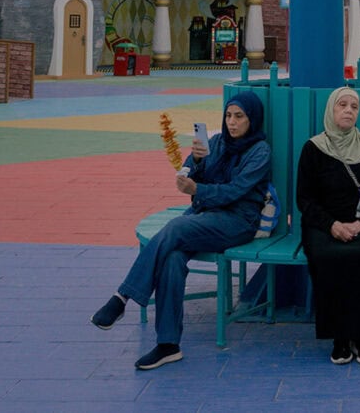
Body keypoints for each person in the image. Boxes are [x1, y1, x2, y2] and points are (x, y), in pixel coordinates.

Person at [90, 92, 271, 370]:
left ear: (252, 119)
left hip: (236, 222)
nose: (232, 123)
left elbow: (236, 192)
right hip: (204, 217)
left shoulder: (260, 151)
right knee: (173, 256)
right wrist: (194, 165)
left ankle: (122, 297)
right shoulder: (217, 142)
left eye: (239, 116)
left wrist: (198, 189)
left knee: (176, 227)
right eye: (228, 115)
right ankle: (168, 345)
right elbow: (191, 168)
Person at [297, 87, 360, 365]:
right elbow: (304, 199)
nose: (348, 111)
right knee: (329, 256)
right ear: (331, 110)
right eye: (342, 105)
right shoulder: (313, 148)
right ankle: (340, 337)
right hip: (324, 225)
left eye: (354, 106)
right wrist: (332, 225)